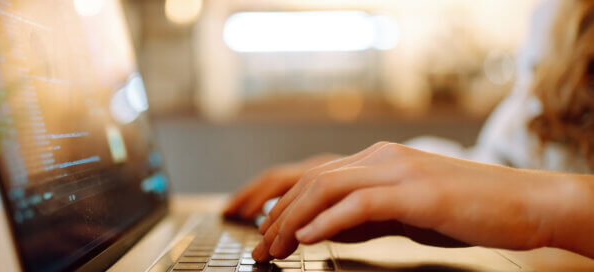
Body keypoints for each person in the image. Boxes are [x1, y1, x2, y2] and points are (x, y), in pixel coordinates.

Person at [223, 0, 594, 262]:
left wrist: (544, 204)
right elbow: (513, 160)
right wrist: (378, 178)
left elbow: (528, 190)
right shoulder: (560, 18)